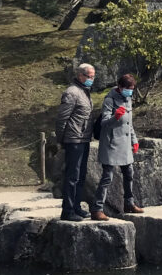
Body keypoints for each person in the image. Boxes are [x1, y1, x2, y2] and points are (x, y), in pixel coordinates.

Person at [91, 73, 144, 219]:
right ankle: (97, 209)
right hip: (111, 144)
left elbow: (129, 124)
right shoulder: (109, 99)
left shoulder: (128, 99)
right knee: (107, 177)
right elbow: (104, 123)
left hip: (125, 144)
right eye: (128, 89)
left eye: (132, 89)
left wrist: (134, 140)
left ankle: (129, 203)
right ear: (120, 87)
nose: (130, 91)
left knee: (129, 174)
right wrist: (116, 116)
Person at [56, 63, 95, 221]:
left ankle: (77, 207)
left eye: (93, 76)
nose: (92, 79)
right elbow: (62, 119)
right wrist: (61, 140)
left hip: (84, 139)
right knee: (72, 176)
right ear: (80, 75)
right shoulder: (72, 92)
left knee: (81, 176)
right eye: (90, 76)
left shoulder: (84, 91)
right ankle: (68, 210)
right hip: (73, 140)